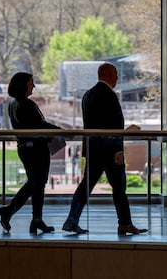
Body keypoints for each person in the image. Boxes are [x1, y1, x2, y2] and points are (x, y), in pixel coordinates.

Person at [62, 63, 148, 236]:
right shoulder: (109, 95)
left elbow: (89, 126)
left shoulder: (88, 95)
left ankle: (72, 220)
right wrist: (118, 150)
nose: (117, 78)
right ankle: (125, 223)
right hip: (110, 151)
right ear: (107, 75)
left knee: (85, 187)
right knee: (119, 189)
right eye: (115, 74)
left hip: (94, 150)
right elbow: (114, 126)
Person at [0, 72, 61, 234]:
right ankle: (16, 213)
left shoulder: (13, 104)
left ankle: (33, 219)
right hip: (36, 149)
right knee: (37, 183)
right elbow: (40, 125)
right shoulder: (26, 105)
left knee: (35, 184)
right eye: (31, 82)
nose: (34, 86)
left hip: (25, 148)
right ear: (23, 84)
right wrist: (61, 131)